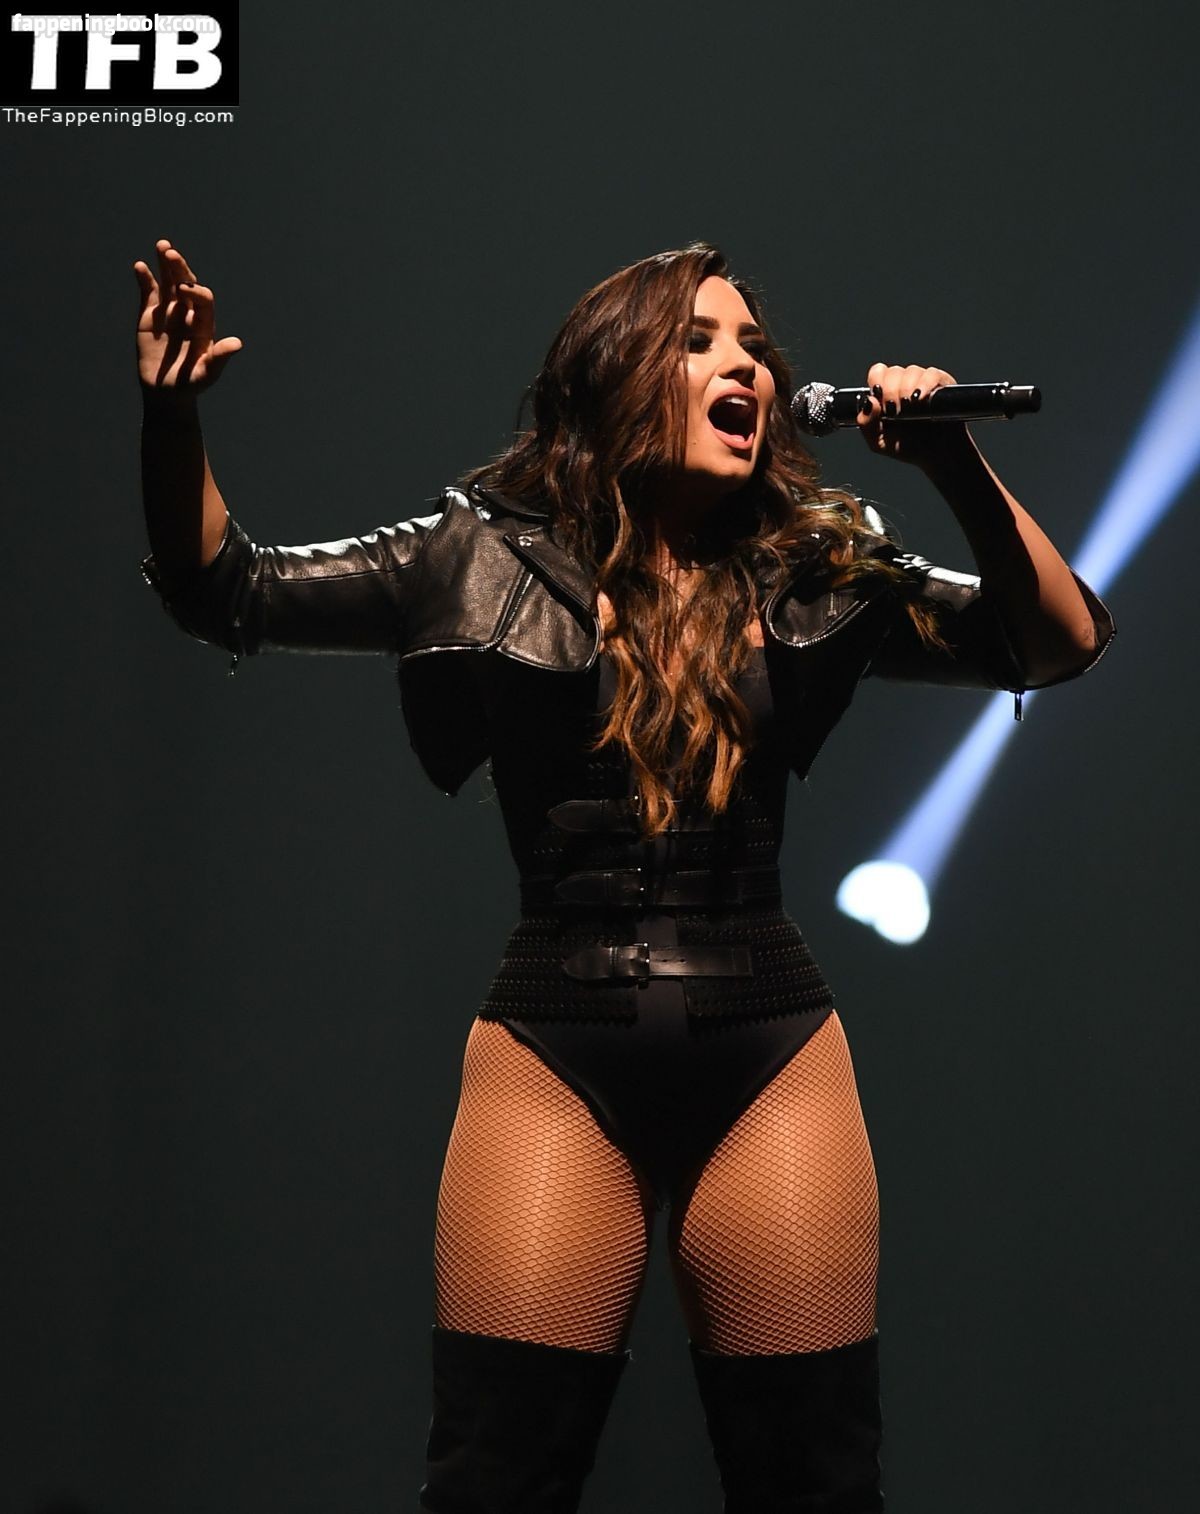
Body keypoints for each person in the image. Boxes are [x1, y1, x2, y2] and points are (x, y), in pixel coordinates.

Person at [134, 236, 1114, 1512]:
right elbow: (228, 587)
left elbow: (1056, 639)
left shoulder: (813, 562)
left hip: (769, 1043)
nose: (745, 368)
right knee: (498, 1475)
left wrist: (952, 462)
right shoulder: (475, 552)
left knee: (815, 1477)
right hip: (555, 1041)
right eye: (700, 342)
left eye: (755, 348)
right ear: (613, 374)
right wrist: (170, 418)